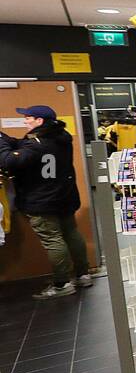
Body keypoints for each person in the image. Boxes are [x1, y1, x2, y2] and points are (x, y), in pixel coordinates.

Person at [0, 106, 93, 299]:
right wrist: (5, 139)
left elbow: (10, 161)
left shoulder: (35, 144)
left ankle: (62, 283)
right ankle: (83, 274)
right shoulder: (61, 137)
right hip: (64, 196)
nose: (25, 121)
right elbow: (24, 146)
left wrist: (1, 145)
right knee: (71, 233)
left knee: (53, 240)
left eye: (28, 118)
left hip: (42, 200)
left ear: (39, 121)